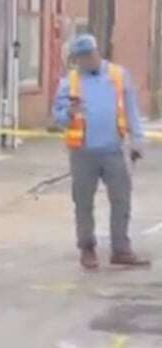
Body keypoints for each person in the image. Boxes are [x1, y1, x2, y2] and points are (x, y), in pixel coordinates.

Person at [51, 34, 150, 271]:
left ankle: (121, 249)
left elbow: (131, 108)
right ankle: (87, 248)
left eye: (90, 55)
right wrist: (69, 114)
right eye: (82, 58)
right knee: (83, 202)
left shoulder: (117, 75)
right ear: (77, 60)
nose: (87, 61)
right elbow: (58, 117)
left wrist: (137, 139)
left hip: (114, 149)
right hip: (82, 152)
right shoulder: (70, 82)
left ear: (97, 52)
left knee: (121, 200)